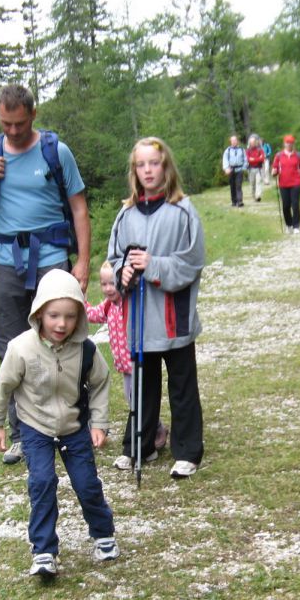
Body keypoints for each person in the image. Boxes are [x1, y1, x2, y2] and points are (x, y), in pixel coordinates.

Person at [0, 84, 91, 467]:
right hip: (5, 261)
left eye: (19, 123)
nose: (12, 131)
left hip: (51, 257)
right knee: (11, 347)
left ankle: (72, 420)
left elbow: (79, 208)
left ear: (33, 115)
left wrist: (81, 262)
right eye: (5, 123)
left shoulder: (55, 151)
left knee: (64, 340)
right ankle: (22, 434)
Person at [0, 269, 119, 579]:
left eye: (70, 317)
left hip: (74, 427)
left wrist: (99, 423)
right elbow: (3, 386)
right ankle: (44, 551)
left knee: (86, 483)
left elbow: (100, 382)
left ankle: (103, 534)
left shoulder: (85, 349)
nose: (62, 324)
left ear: (79, 317)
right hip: (36, 428)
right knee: (42, 482)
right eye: (54, 315)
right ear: (39, 313)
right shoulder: (21, 348)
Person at [108, 137, 206, 478]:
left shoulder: (183, 210)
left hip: (172, 316)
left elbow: (192, 262)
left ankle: (188, 450)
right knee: (142, 385)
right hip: (138, 318)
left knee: (182, 383)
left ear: (166, 167)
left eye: (154, 163)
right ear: (134, 171)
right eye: (141, 164)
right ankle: (140, 446)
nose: (148, 170)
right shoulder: (126, 214)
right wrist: (125, 271)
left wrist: (154, 265)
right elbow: (114, 258)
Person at [85, 261, 169, 452]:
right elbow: (93, 314)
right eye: (103, 284)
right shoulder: (108, 306)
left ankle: (156, 429)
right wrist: (82, 301)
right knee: (131, 400)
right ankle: (155, 427)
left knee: (139, 401)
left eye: (112, 283)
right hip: (124, 366)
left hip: (138, 362)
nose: (108, 288)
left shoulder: (128, 302)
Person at [271, 134, 300, 234]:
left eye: (291, 143)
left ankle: (296, 226)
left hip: (296, 182)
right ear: (284, 143)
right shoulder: (279, 156)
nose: (289, 144)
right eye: (287, 143)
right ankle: (289, 224)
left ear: (293, 144)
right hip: (283, 183)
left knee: (295, 204)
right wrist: (274, 172)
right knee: (286, 206)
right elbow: (274, 168)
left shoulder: (298, 156)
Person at [222, 134, 247, 207]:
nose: (234, 142)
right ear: (230, 142)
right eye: (232, 141)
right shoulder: (228, 151)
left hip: (239, 169)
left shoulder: (242, 150)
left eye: (235, 140)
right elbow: (225, 160)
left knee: (238, 185)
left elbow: (245, 159)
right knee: (232, 186)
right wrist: (226, 168)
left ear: (237, 141)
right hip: (231, 169)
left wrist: (244, 167)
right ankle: (234, 201)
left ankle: (240, 201)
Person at [245, 134, 266, 202]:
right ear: (249, 143)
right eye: (251, 142)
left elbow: (262, 159)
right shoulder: (248, 151)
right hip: (251, 169)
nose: (253, 144)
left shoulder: (260, 150)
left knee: (258, 182)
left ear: (256, 142)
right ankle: (253, 196)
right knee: (252, 184)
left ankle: (258, 195)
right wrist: (257, 158)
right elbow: (248, 159)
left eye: (254, 142)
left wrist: (253, 159)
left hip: (258, 169)